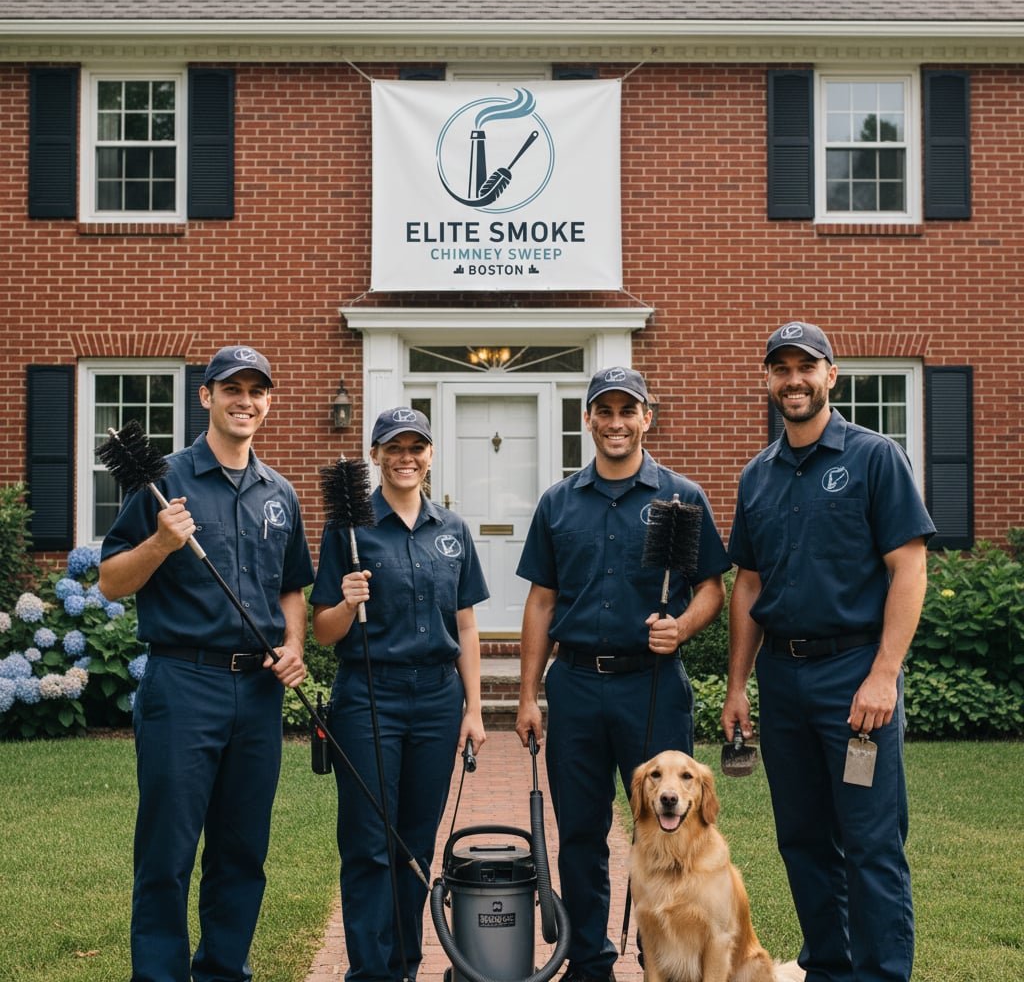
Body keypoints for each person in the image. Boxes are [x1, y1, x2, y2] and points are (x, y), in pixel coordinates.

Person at [722, 321, 935, 982]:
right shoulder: (757, 476)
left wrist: (883, 675)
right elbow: (748, 584)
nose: (794, 381)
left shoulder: (875, 458)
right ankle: (831, 969)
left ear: (830, 376)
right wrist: (738, 686)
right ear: (768, 379)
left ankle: (882, 974)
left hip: (854, 680)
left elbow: (909, 567)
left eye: (806, 367)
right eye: (781, 369)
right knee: (803, 839)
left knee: (870, 842)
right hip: (783, 681)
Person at [99, 345, 314, 982]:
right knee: (167, 852)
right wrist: (161, 542)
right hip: (184, 683)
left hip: (258, 692)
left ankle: (224, 970)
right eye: (232, 389)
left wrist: (294, 645)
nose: (245, 401)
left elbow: (291, 588)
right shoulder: (163, 480)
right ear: (206, 397)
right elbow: (111, 581)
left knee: (241, 850)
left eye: (256, 390)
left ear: (268, 401)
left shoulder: (280, 493)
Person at [515, 366, 731, 982]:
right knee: (580, 833)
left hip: (653, 686)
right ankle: (590, 963)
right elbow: (541, 602)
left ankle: (661, 959)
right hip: (576, 686)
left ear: (646, 418)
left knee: (666, 832)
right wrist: (528, 695)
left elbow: (713, 589)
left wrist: (680, 627)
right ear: (587, 419)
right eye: (604, 411)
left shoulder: (681, 497)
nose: (616, 423)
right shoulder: (558, 502)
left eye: (627, 411)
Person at [311, 406, 489, 982]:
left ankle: (405, 967)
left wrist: (474, 709)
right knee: (369, 842)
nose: (405, 457)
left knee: (416, 843)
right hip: (369, 697)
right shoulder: (349, 530)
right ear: (376, 455)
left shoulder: (452, 530)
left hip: (438, 700)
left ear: (430, 455)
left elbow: (465, 626)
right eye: (394, 447)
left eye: (416, 447)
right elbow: (323, 631)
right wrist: (347, 603)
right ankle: (371, 972)